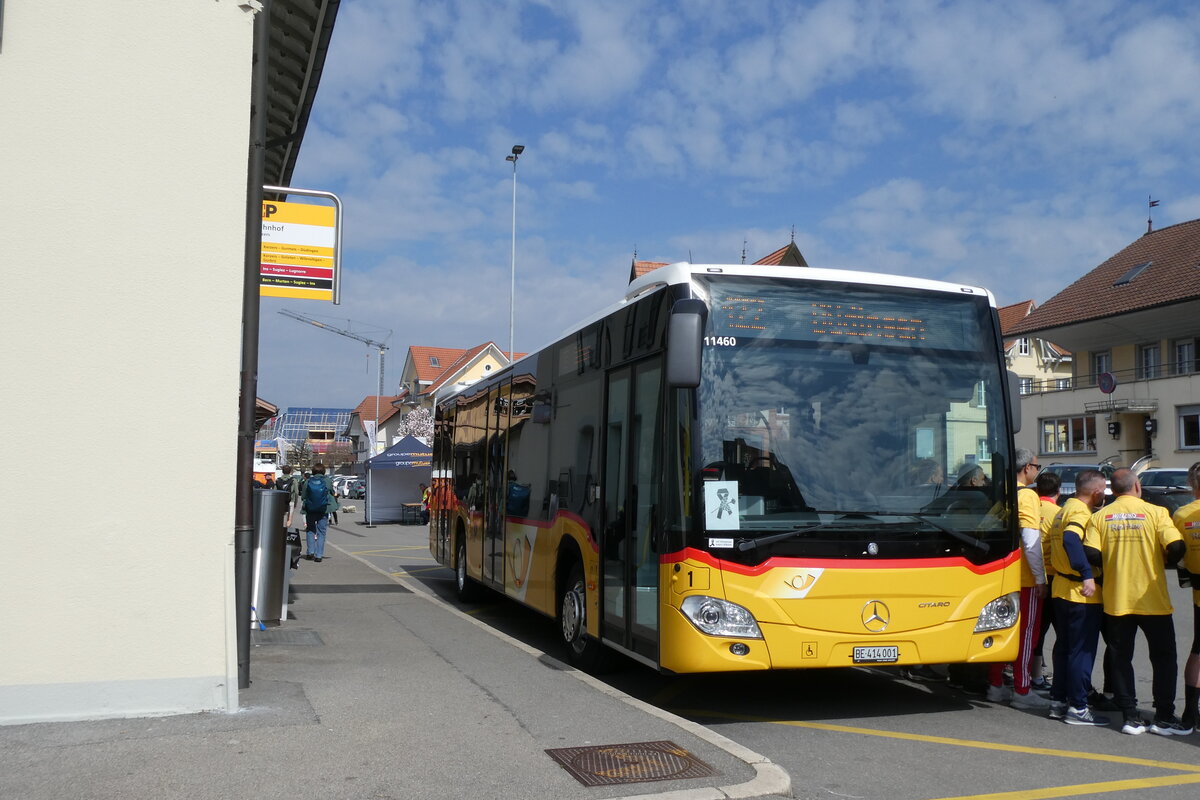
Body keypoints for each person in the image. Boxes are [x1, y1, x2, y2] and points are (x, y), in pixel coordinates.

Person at [1083, 468, 1187, 735]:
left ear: (1113, 490)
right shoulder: (1156, 513)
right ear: (1137, 486)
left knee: (1120, 658)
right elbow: (1176, 546)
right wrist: (1166, 559)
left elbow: (1090, 553)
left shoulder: (1100, 516)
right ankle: (1164, 716)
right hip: (1153, 600)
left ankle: (1130, 716)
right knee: (1164, 658)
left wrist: (1111, 562)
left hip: (1117, 599)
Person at [986, 448, 1051, 709]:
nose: (1037, 470)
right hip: (1024, 578)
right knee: (1026, 635)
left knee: (1001, 630)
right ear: (1027, 468)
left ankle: (996, 685)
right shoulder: (1027, 496)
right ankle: (1022, 690)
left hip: (1002, 574)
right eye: (1037, 466)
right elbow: (1031, 541)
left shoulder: (1004, 492)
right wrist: (1040, 578)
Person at [1045, 469, 1109, 726]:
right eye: (1103, 490)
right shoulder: (1081, 512)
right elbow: (1071, 539)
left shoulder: (1064, 509)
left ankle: (1058, 701)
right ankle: (1079, 707)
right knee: (1081, 651)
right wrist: (1086, 574)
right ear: (1096, 492)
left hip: (1061, 588)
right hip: (1080, 593)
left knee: (1064, 648)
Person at [1171, 461, 1200, 733]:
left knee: (1198, 650)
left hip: (1198, 590)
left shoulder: (1181, 515)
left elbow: (1176, 553)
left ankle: (1191, 712)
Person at [1029, 470, 1062, 693]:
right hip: (1052, 577)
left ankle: (1034, 675)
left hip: (1028, 575)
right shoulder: (1058, 513)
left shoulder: (1029, 508)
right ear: (1058, 492)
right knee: (1059, 631)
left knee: (1035, 630)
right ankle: (1055, 679)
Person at [302, 463, 333, 563]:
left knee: (310, 530)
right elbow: (332, 492)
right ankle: (319, 555)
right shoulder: (327, 481)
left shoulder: (308, 481)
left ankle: (310, 552)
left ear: (313, 471)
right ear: (323, 471)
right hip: (323, 509)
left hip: (310, 509)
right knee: (321, 532)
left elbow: (303, 495)